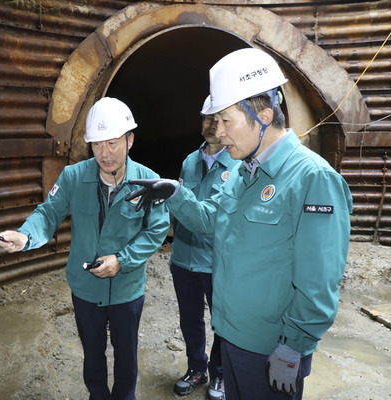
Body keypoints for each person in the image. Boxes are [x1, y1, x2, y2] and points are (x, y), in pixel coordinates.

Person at [125, 48, 352, 400]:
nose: (220, 133)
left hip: (271, 349)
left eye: (227, 121)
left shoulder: (312, 179)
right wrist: (174, 192)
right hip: (231, 337)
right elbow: (207, 219)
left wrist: (294, 347)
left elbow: (319, 283)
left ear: (262, 116)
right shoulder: (242, 175)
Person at [0, 97, 170, 400]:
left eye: (113, 143)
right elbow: (48, 213)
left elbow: (157, 229)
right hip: (86, 288)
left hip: (127, 289)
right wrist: (25, 236)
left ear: (130, 140)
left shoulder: (149, 181)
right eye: (97, 144)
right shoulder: (73, 177)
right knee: (92, 353)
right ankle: (98, 395)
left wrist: (123, 260)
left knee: (126, 355)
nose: (105, 153)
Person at [170, 97, 239, 399]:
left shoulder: (237, 165)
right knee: (190, 319)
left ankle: (220, 375)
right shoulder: (189, 160)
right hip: (183, 258)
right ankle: (196, 368)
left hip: (216, 261)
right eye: (207, 118)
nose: (212, 125)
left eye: (219, 118)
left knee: (221, 321)